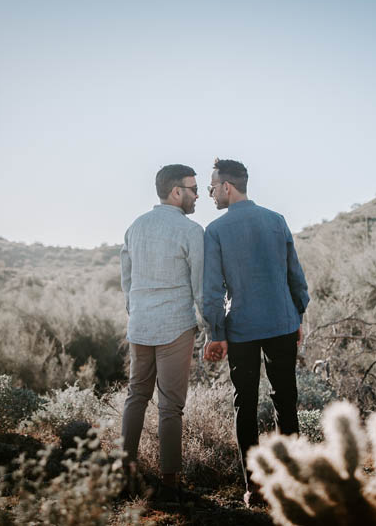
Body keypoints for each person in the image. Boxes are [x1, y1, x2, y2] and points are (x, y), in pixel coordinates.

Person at [201, 158, 310, 506]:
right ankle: (290, 481)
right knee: (286, 402)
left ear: (227, 187)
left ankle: (255, 489)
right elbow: (296, 276)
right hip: (282, 322)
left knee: (244, 406)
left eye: (212, 187)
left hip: (243, 328)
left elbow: (212, 291)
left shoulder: (216, 231)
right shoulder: (276, 221)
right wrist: (298, 317)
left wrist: (216, 331)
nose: (211, 194)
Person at [120, 164, 204, 499]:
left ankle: (125, 474)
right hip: (176, 326)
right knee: (170, 406)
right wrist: (211, 327)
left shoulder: (135, 227)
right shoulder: (191, 231)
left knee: (136, 397)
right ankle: (170, 483)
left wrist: (136, 310)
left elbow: (126, 281)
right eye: (193, 189)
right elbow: (199, 285)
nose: (198, 195)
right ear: (176, 192)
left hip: (139, 325)